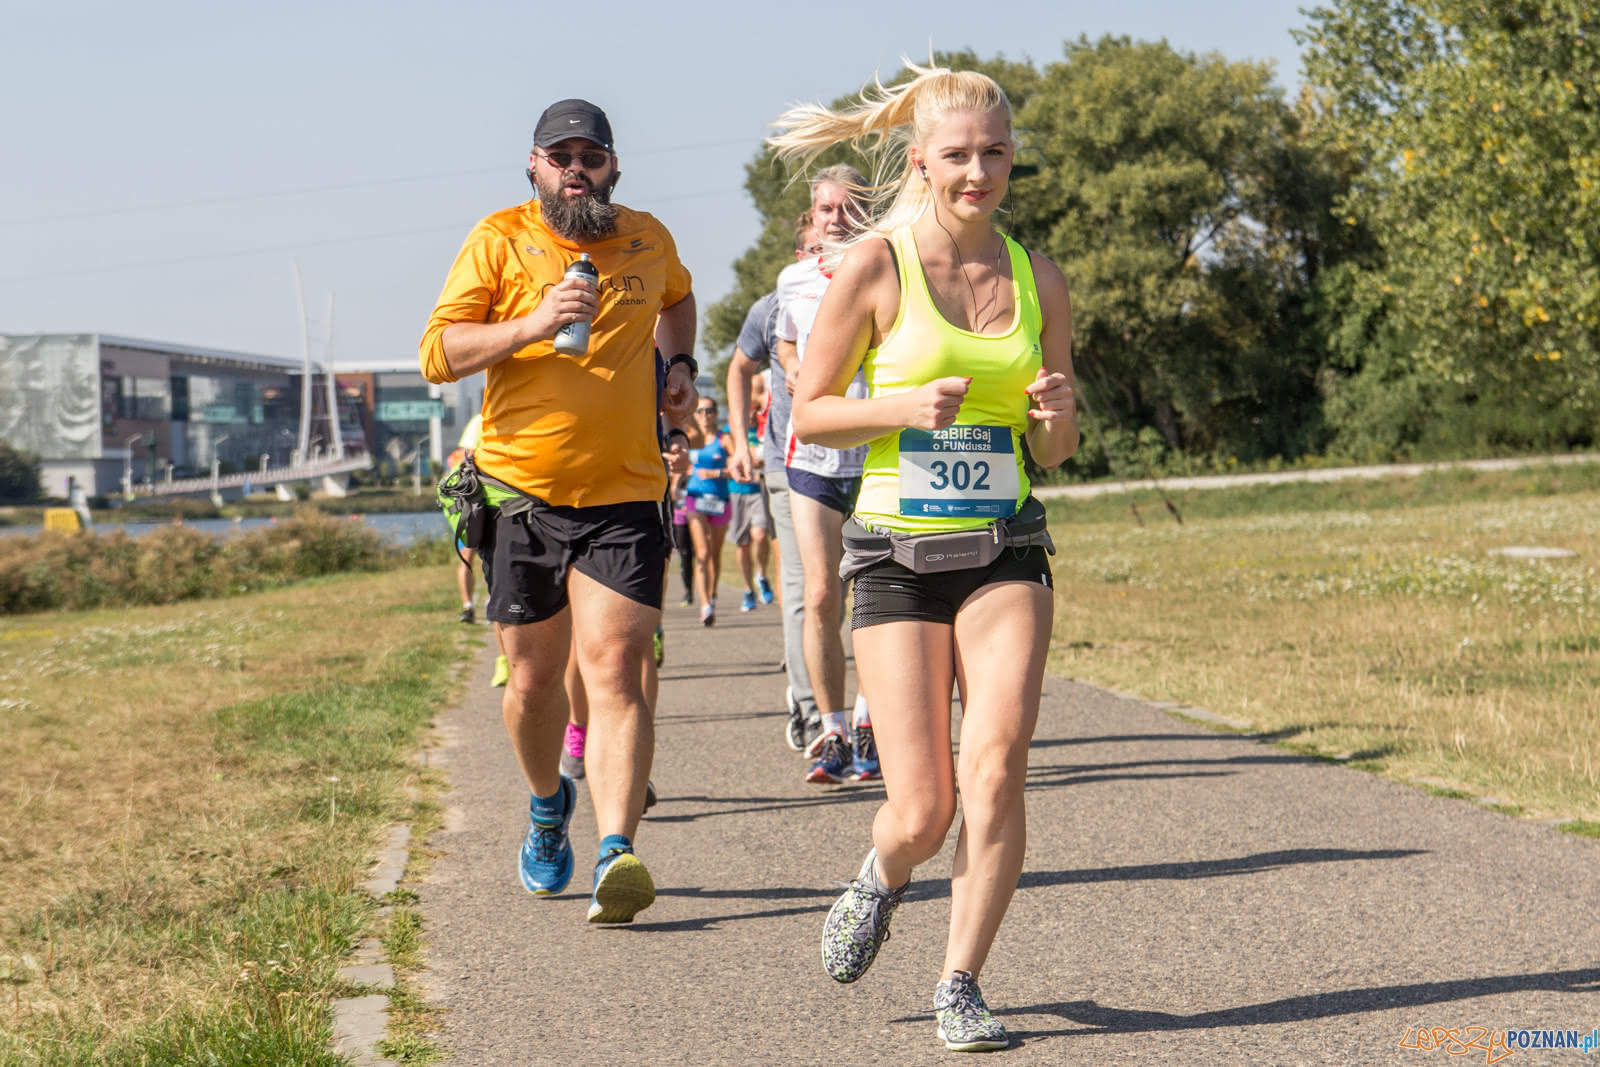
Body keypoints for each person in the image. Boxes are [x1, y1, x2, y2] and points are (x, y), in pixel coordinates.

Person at [771, 61, 1079, 1051]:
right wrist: (900, 406)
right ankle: (882, 873)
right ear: (921, 160)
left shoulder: (1038, 277)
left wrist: (1060, 416)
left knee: (995, 769)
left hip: (1004, 546)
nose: (977, 171)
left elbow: (1053, 450)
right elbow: (811, 412)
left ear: (1011, 157)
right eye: (957, 154)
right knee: (922, 806)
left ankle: (961, 980)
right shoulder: (877, 266)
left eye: (994, 153)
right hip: (895, 554)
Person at [419, 97, 697, 925]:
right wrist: (535, 321)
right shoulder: (499, 238)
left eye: (592, 154)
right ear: (533, 167)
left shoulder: (648, 238)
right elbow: (439, 352)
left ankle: (619, 848)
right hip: (519, 492)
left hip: (624, 492)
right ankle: (548, 805)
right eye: (559, 154)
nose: (577, 166)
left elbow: (678, 299)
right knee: (535, 683)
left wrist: (680, 362)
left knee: (616, 668)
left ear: (614, 167)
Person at [776, 166, 879, 785]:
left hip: (876, 453)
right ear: (811, 217)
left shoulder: (890, 267)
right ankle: (831, 729)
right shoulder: (793, 278)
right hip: (812, 454)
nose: (834, 217)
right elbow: (783, 341)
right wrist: (791, 365)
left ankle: (871, 720)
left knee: (871, 592)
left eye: (846, 207)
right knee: (819, 594)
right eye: (824, 208)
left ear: (866, 212)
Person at [727, 216, 825, 752]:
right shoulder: (772, 307)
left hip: (864, 459)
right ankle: (811, 709)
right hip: (790, 463)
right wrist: (740, 443)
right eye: (811, 247)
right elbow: (739, 369)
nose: (820, 254)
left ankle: (868, 714)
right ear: (796, 253)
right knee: (806, 586)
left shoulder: (875, 286)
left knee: (860, 588)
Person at [683, 397, 733, 625]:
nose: (705, 415)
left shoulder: (724, 439)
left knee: (714, 554)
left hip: (720, 500)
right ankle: (704, 605)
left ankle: (711, 597)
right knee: (701, 553)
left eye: (709, 410)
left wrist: (716, 474)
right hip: (695, 499)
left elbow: (737, 468)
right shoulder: (689, 438)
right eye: (700, 411)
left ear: (715, 413)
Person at [726, 377, 774, 613]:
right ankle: (747, 590)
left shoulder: (763, 425)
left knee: (760, 535)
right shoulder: (730, 431)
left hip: (759, 492)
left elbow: (763, 457)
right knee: (743, 545)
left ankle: (761, 575)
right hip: (738, 493)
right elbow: (733, 457)